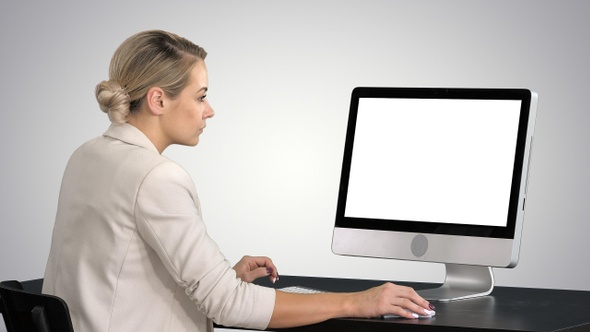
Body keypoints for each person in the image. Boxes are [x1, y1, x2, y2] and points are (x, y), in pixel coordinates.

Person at [42, 29, 435, 331]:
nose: (209, 111)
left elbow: (117, 274)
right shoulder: (156, 177)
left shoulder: (88, 155)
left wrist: (222, 278)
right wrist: (359, 302)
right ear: (159, 101)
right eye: (200, 97)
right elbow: (227, 306)